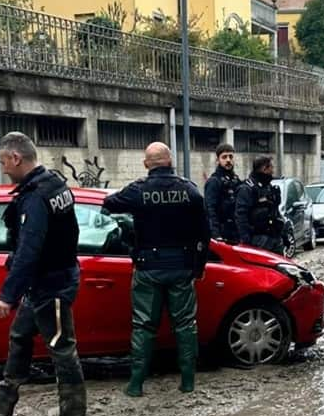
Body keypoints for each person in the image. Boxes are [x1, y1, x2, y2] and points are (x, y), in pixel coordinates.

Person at [0, 132, 85, 416]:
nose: (3, 169)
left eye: (4, 162)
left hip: (53, 285)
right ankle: (4, 399)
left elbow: (30, 249)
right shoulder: (54, 183)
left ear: (16, 158)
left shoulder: (36, 195)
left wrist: (8, 295)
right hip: (47, 280)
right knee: (20, 335)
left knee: (62, 350)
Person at [102, 141, 208, 397]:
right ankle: (187, 381)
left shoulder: (139, 190)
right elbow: (205, 232)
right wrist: (199, 265)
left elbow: (108, 204)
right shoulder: (190, 191)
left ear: (146, 164)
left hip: (148, 268)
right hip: (182, 266)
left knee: (143, 326)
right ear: (170, 162)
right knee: (184, 325)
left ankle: (136, 384)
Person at [232, 155, 288, 253]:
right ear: (264, 168)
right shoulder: (247, 189)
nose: (273, 171)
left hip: (274, 238)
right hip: (258, 240)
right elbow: (241, 217)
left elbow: (275, 213)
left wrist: (284, 235)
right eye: (271, 168)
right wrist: (246, 243)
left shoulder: (268, 187)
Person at [204, 145, 243, 241]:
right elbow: (210, 209)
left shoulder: (236, 180)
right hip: (222, 232)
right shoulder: (214, 181)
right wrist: (216, 234)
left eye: (231, 156)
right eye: (224, 157)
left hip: (236, 232)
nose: (228, 160)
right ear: (218, 160)